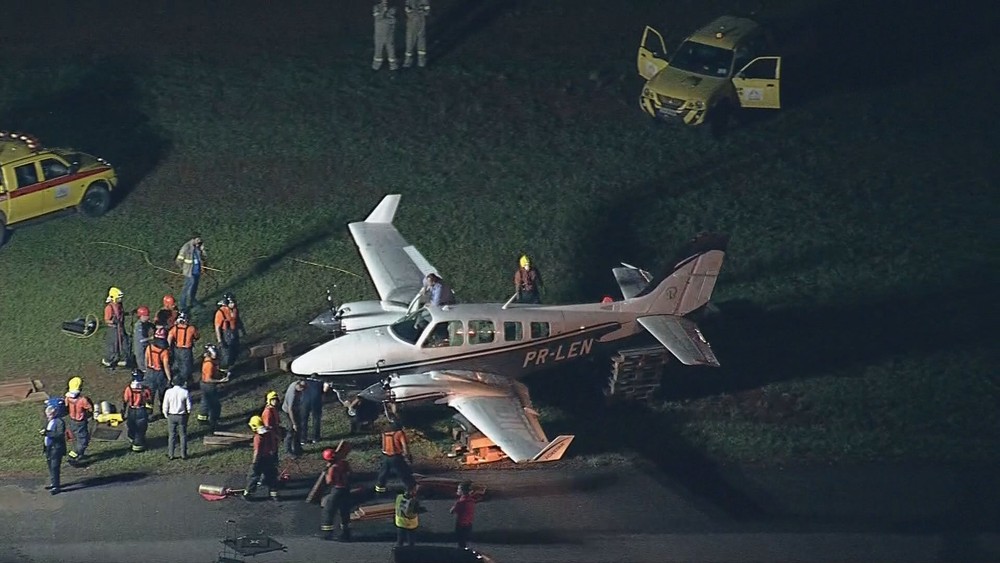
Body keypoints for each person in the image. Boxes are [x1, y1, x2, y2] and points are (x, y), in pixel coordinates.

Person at [319, 443, 353, 541]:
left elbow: (329, 481)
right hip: (346, 489)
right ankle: (346, 533)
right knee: (345, 511)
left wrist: (326, 473)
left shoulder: (332, 468)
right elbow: (350, 473)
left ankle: (327, 533)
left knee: (328, 511)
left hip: (337, 490)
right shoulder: (344, 463)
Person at [244, 415, 280, 501]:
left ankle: (248, 494)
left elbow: (257, 451)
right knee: (272, 476)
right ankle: (274, 494)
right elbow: (276, 441)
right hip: (270, 457)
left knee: (253, 476)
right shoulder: (269, 432)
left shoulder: (258, 437)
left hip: (260, 459)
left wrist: (254, 463)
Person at [375, 418, 415, 493]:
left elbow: (383, 444)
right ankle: (411, 488)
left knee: (383, 474)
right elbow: (404, 445)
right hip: (396, 457)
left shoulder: (384, 433)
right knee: (404, 472)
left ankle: (379, 490)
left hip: (385, 457)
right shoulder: (399, 433)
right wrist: (408, 455)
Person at [64, 377, 94, 466]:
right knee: (83, 440)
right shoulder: (82, 400)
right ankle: (73, 456)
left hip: (72, 421)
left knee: (76, 439)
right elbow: (90, 409)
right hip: (80, 422)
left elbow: (66, 406)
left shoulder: (68, 398)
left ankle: (78, 454)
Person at [214, 292, 245, 374]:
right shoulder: (220, 312)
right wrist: (220, 341)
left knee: (235, 350)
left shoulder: (235, 309)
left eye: (234, 302)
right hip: (226, 334)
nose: (233, 304)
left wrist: (242, 330)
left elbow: (238, 320)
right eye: (231, 302)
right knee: (226, 353)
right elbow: (217, 328)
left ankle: (231, 366)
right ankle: (222, 370)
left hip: (234, 332)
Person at [123, 369, 153, 452]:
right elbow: (149, 400)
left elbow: (125, 400)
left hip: (131, 409)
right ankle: (139, 444)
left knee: (131, 426)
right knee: (141, 428)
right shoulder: (145, 389)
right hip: (141, 410)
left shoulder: (129, 388)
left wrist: (123, 411)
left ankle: (133, 441)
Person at [197, 344, 225, 430]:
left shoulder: (209, 361)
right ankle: (214, 421)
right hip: (208, 385)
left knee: (205, 402)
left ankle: (202, 419)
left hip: (205, 385)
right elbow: (208, 379)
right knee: (215, 405)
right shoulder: (209, 364)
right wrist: (220, 381)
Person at [162, 379, 192, 460]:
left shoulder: (168, 392)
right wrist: (188, 413)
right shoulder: (185, 392)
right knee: (183, 435)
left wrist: (165, 413)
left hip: (171, 415)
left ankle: (171, 454)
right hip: (182, 415)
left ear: (172, 383)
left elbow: (165, 404)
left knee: (172, 435)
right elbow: (189, 405)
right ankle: (183, 454)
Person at [175, 234, 206, 312]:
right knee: (186, 289)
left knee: (194, 288)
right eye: (198, 239)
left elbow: (203, 257)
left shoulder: (198, 246)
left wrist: (202, 250)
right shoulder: (186, 247)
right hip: (189, 272)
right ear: (193, 239)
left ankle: (193, 301)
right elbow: (178, 260)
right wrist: (183, 269)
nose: (199, 241)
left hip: (197, 271)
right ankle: (182, 306)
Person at [42, 404, 67, 495]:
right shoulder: (49, 421)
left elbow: (59, 434)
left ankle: (56, 486)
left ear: (55, 413)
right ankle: (53, 483)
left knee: (55, 467)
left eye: (50, 414)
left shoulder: (60, 422)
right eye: (47, 414)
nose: (48, 416)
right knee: (50, 467)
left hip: (56, 448)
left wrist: (47, 433)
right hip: (49, 448)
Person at [101, 287, 129, 368]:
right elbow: (106, 320)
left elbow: (121, 314)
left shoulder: (119, 306)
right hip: (113, 329)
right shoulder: (109, 308)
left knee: (124, 342)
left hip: (120, 328)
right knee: (113, 345)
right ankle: (108, 360)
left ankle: (122, 358)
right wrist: (113, 322)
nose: (120, 299)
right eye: (118, 298)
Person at [167, 312, 199, 383]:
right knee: (186, 367)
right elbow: (197, 336)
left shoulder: (175, 328)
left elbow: (169, 337)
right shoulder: (191, 328)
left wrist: (168, 347)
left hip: (177, 349)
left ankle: (178, 379)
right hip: (186, 350)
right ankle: (184, 382)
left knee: (178, 364)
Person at [144, 335, 172, 414]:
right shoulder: (164, 352)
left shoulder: (149, 347)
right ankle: (162, 410)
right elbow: (166, 366)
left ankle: (148, 411)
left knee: (149, 393)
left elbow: (146, 360)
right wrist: (169, 378)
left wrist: (147, 371)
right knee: (162, 392)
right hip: (160, 374)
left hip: (150, 371)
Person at [282, 379, 306, 457]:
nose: (303, 390)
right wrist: (294, 423)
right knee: (290, 432)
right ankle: (288, 450)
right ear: (298, 385)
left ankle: (297, 448)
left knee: (298, 430)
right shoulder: (293, 394)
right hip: (289, 412)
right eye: (302, 388)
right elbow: (290, 409)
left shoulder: (296, 384)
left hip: (296, 409)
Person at [403, 0, 431, 68]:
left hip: (420, 21)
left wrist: (422, 11)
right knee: (410, 41)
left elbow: (427, 10)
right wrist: (409, 11)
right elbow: (406, 9)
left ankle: (421, 61)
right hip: (411, 22)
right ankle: (408, 61)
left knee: (421, 41)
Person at [372, 0, 398, 71]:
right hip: (379, 34)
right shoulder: (376, 7)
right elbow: (378, 19)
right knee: (378, 50)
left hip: (389, 34)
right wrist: (383, 11)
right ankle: (376, 66)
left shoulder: (392, 8)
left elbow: (392, 20)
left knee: (391, 50)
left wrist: (383, 19)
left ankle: (393, 66)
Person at [450, 480, 477, 549]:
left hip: (461, 524)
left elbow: (452, 511)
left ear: (463, 491)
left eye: (459, 489)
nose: (457, 490)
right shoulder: (471, 501)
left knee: (461, 542)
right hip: (469, 524)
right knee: (465, 541)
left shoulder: (461, 502)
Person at [300, 378, 326, 444]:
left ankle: (303, 438)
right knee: (316, 419)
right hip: (316, 400)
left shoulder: (304, 380)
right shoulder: (320, 381)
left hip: (305, 401)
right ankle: (316, 438)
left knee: (303, 420)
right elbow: (325, 389)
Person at [132, 305, 153, 372]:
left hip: (145, 345)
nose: (148, 317)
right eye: (147, 315)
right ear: (142, 316)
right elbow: (141, 340)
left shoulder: (145, 323)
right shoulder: (139, 326)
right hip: (140, 346)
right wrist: (151, 338)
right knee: (141, 361)